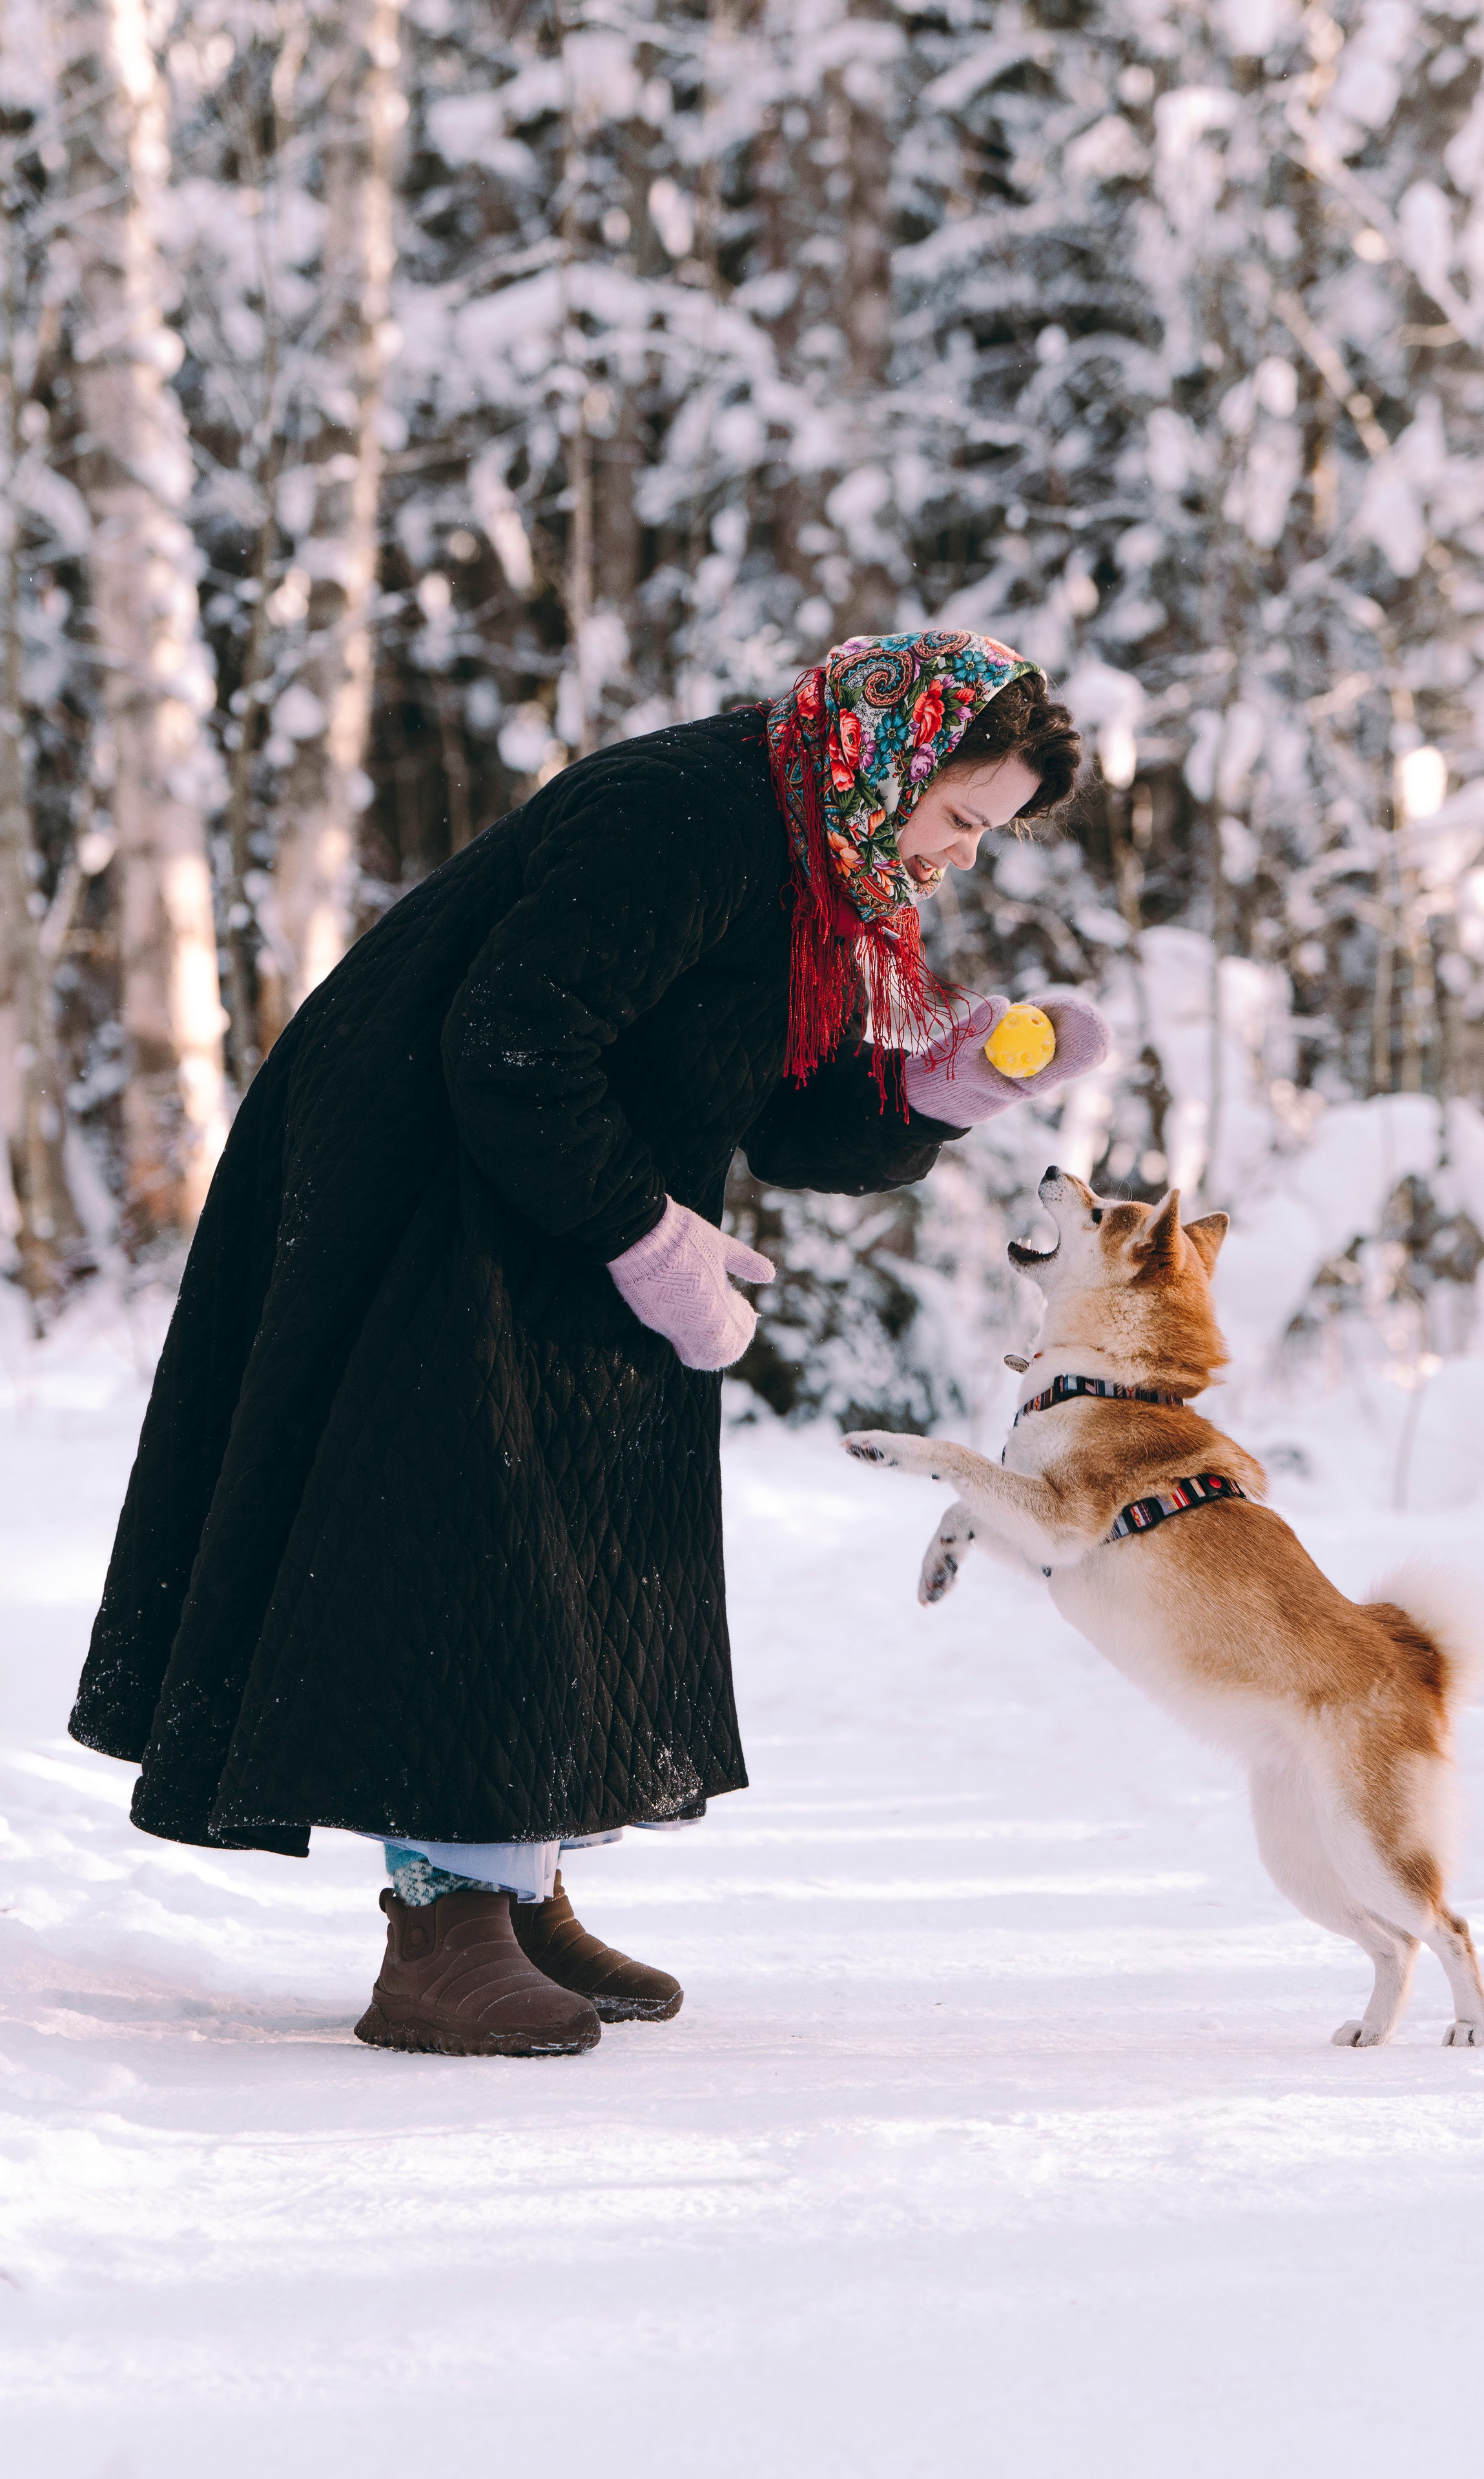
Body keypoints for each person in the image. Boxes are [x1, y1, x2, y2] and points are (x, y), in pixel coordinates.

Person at [68, 630, 1107, 2058]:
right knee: (480, 1517)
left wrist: (936, 1088)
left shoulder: (819, 852)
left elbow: (767, 1102)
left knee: (587, 1509)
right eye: (961, 815)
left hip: (546, 1166)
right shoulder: (690, 813)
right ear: (894, 759)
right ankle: (440, 1928)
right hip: (422, 1169)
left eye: (987, 832)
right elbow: (510, 1039)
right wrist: (644, 1233)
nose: (961, 855)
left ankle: (513, 1879)